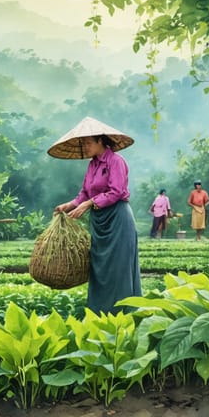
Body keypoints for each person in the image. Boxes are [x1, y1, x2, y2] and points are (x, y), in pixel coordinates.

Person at [50, 116, 141, 314]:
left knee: (118, 269)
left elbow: (116, 191)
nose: (86, 146)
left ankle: (123, 314)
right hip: (99, 222)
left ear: (101, 141)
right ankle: (100, 313)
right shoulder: (92, 165)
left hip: (118, 220)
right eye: (83, 143)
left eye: (89, 143)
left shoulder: (116, 161)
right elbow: (84, 193)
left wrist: (90, 203)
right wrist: (67, 205)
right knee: (100, 269)